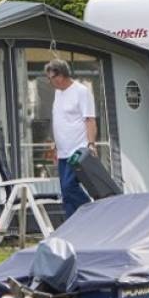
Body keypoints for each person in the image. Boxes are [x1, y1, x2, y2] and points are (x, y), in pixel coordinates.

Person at [45, 59, 97, 218]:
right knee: (66, 195)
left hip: (77, 150)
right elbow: (60, 120)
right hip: (63, 152)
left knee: (69, 187)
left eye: (51, 77)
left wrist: (91, 144)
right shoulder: (58, 93)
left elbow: (89, 119)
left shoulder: (81, 91)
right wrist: (55, 145)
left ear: (61, 75)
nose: (50, 81)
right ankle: (74, 228)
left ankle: (94, 214)